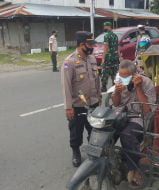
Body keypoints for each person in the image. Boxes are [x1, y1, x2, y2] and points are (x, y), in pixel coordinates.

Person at [112, 60, 156, 187]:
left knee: (126, 134)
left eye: (126, 76)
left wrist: (138, 87)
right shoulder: (119, 81)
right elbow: (115, 103)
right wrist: (116, 92)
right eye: (121, 75)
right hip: (121, 115)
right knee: (105, 129)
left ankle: (135, 169)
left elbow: (147, 109)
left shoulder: (146, 83)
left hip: (139, 117)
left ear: (135, 74)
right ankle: (106, 160)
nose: (122, 78)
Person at [61, 31, 101, 167]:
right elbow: (66, 86)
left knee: (94, 130)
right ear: (81, 44)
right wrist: (68, 107)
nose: (92, 47)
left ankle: (92, 151)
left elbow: (96, 81)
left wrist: (99, 98)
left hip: (93, 103)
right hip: (78, 105)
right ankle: (76, 152)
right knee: (76, 131)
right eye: (90, 45)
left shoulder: (92, 59)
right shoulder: (69, 62)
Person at [101, 21, 119, 92]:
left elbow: (106, 47)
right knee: (114, 72)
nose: (104, 28)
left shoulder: (106, 36)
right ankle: (114, 85)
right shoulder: (115, 36)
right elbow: (117, 47)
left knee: (105, 72)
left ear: (108, 26)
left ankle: (104, 87)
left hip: (108, 57)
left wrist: (103, 58)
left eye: (104, 26)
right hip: (115, 57)